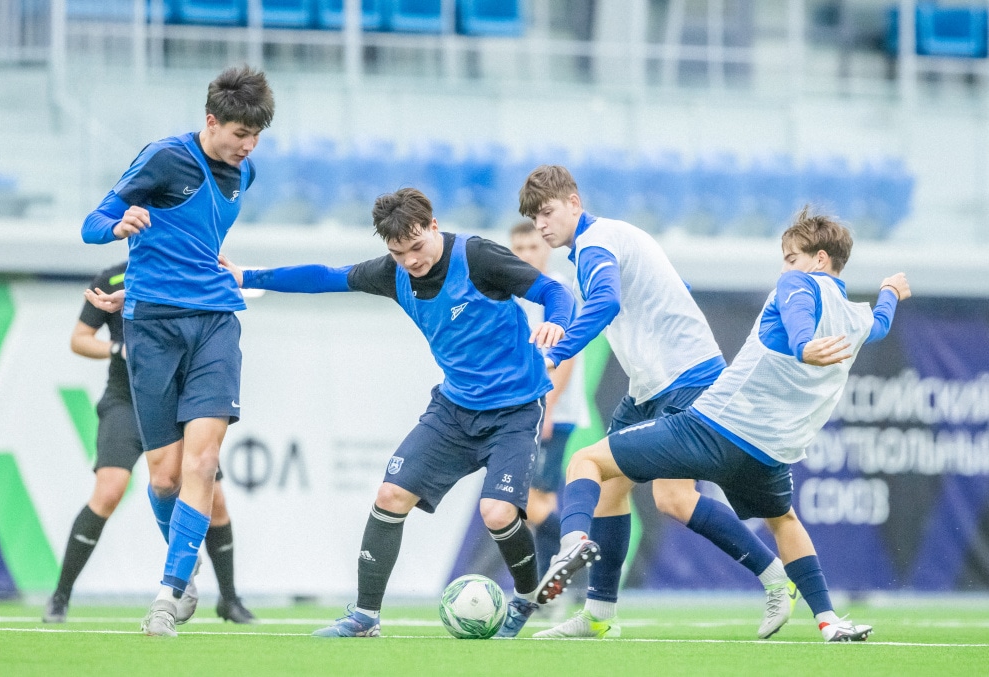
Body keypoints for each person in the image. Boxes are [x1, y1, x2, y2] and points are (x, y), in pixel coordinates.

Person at [220, 187, 575, 639]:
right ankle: (365, 616)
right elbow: (324, 276)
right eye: (397, 252)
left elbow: (551, 291)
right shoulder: (393, 274)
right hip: (453, 409)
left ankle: (526, 598)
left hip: (516, 409)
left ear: (432, 226)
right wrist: (248, 275)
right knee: (390, 496)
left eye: (417, 247)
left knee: (497, 513)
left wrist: (556, 322)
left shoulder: (479, 256)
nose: (410, 260)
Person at [541, 207, 909, 642]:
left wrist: (804, 345)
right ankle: (829, 620)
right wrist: (890, 291)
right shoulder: (856, 316)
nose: (785, 267)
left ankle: (572, 544)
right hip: (770, 451)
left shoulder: (796, 283)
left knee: (588, 461)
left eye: (791, 257)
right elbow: (881, 324)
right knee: (783, 520)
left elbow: (797, 320)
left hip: (713, 428)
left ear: (820, 259)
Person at [517, 164, 796, 640]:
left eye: (548, 212)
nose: (542, 225)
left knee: (606, 471)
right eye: (533, 217)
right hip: (651, 387)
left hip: (684, 383)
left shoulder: (596, 244)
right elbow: (671, 287)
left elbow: (604, 304)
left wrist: (556, 351)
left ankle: (573, 545)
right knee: (635, 491)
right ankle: (599, 615)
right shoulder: (610, 240)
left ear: (574, 204)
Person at [80, 65, 274, 637]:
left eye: (257, 136)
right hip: (152, 329)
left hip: (216, 322)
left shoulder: (246, 171)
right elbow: (93, 224)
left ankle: (167, 595)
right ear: (211, 121)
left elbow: (199, 240)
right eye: (240, 134)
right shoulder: (164, 158)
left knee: (202, 463)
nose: (248, 147)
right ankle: (184, 576)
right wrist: (119, 228)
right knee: (164, 476)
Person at [43, 262, 255, 625]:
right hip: (126, 399)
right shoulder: (111, 278)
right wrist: (116, 350)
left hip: (181, 399)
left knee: (214, 496)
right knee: (110, 490)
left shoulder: (188, 266)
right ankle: (60, 596)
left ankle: (229, 599)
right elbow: (79, 339)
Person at [508, 221, 589, 575]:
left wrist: (548, 409)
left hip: (550, 411)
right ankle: (547, 584)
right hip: (524, 410)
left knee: (531, 501)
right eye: (519, 249)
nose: (526, 255)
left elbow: (566, 356)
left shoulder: (557, 290)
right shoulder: (512, 294)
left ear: (547, 249)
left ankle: (575, 556)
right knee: (532, 501)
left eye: (532, 247)